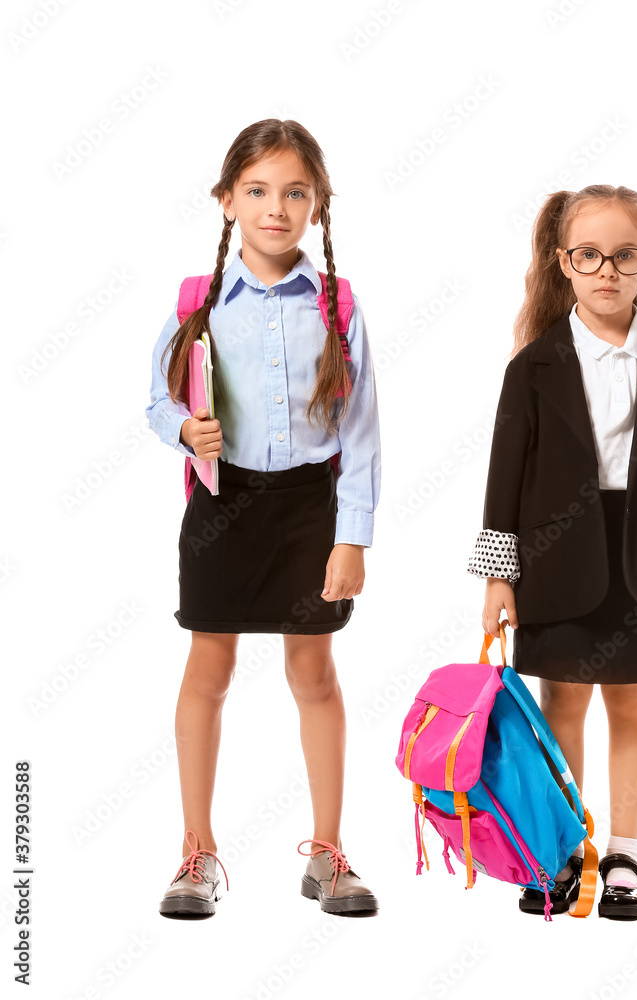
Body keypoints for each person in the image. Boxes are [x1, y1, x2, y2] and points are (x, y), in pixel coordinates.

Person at [146, 119, 381, 918]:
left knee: (313, 675)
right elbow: (158, 398)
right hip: (223, 507)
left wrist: (352, 537)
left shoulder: (337, 304)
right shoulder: (199, 302)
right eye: (256, 190)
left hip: (311, 512)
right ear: (226, 201)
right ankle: (196, 853)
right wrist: (183, 428)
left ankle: (327, 853)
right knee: (207, 673)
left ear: (317, 206)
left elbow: (361, 431)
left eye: (294, 192)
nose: (274, 208)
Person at [468, 185, 637, 920]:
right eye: (587, 255)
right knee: (561, 709)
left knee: (632, 705)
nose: (605, 269)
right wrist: (498, 573)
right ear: (562, 262)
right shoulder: (532, 367)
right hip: (555, 557)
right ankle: (560, 850)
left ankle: (624, 853)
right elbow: (503, 476)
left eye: (624, 255)